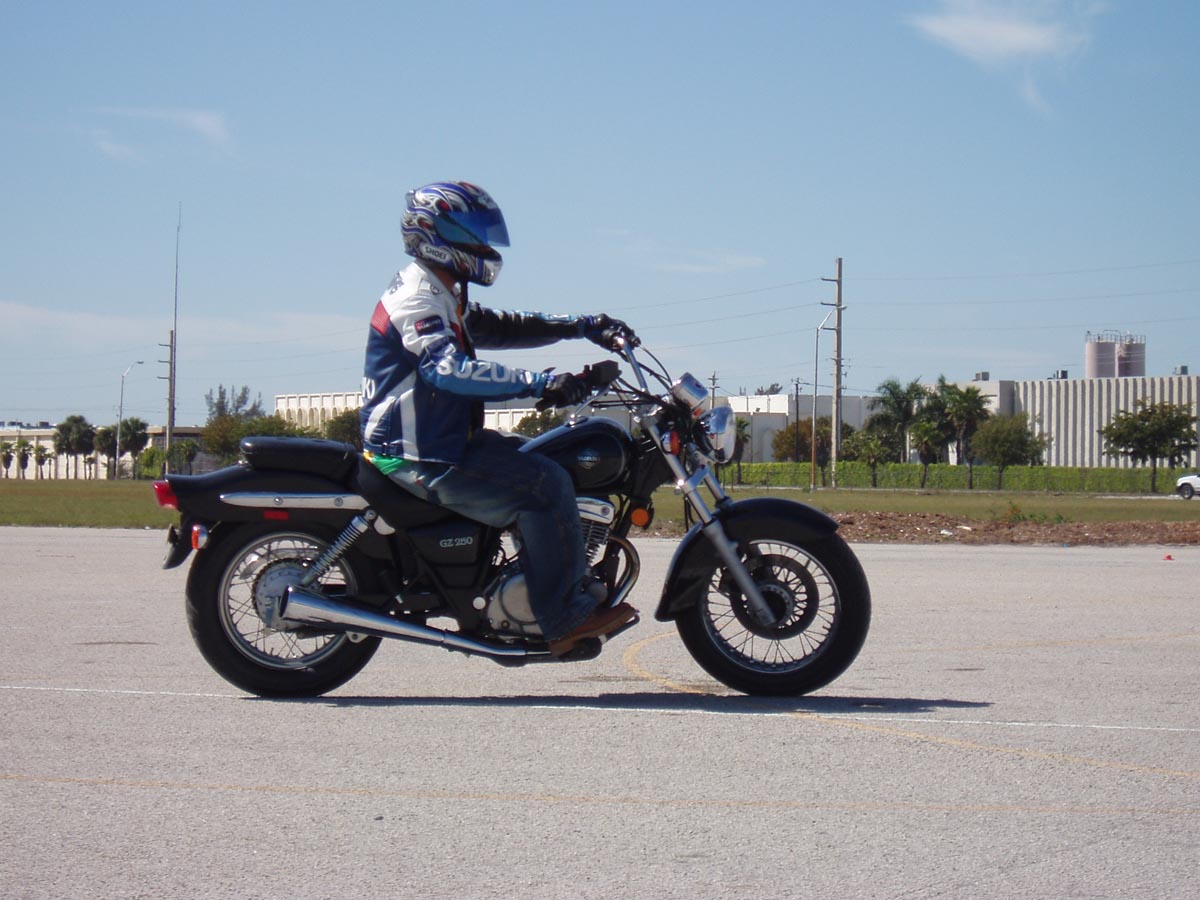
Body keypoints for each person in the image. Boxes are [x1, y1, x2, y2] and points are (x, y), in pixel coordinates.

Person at [360, 181, 636, 656]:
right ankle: (563, 617)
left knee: (543, 460)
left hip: (442, 441)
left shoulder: (443, 291)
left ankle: (535, 587)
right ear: (433, 234)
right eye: (470, 235)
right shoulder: (419, 298)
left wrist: (582, 326)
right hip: (418, 454)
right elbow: (446, 369)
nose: (483, 248)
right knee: (545, 486)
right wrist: (540, 384)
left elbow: (499, 326)